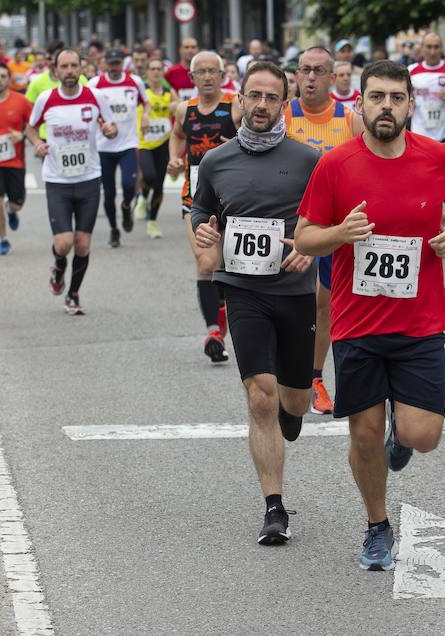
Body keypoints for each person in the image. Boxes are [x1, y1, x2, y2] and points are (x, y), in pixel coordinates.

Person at [295, 59, 445, 571]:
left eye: (397, 98)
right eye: (377, 98)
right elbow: (306, 235)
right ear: (361, 104)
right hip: (357, 324)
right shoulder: (336, 165)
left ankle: (403, 431)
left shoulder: (436, 157)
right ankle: (377, 525)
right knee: (363, 433)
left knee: (423, 436)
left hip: (420, 322)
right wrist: (339, 235)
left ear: (411, 105)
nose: (387, 107)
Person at [192, 61, 319, 545]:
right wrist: (204, 228)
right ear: (239, 100)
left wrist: (308, 247)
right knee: (259, 395)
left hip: (293, 293)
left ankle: (295, 407)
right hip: (242, 289)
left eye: (271, 98)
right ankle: (274, 507)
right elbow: (202, 206)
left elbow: (326, 216)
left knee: (295, 401)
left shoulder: (308, 159)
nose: (262, 105)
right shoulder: (217, 161)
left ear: (283, 103)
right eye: (254, 96)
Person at [283, 46, 365, 416]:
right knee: (288, 307)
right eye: (305, 70)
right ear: (297, 75)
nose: (311, 77)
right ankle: (287, 376)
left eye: (319, 71)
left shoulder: (349, 120)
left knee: (325, 306)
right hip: (288, 225)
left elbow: (366, 175)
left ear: (333, 78)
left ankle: (315, 378)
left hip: (332, 229)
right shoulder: (283, 116)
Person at [25, 49, 117, 315]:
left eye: (73, 66)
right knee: (64, 244)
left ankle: (73, 294)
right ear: (55, 71)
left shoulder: (95, 96)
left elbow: (110, 128)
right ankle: (58, 267)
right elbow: (30, 128)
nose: (69, 71)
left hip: (89, 178)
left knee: (83, 244)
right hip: (57, 180)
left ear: (81, 68)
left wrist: (110, 131)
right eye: (63, 66)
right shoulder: (46, 99)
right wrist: (38, 143)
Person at [167, 51, 243, 363]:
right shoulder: (185, 109)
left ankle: (223, 309)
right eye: (203, 72)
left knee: (229, 264)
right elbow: (177, 136)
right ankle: (213, 331)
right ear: (192, 77)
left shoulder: (234, 105)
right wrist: (174, 158)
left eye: (214, 71)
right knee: (206, 262)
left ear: (223, 74)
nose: (209, 77)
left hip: (232, 199)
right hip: (195, 198)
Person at [89, 48, 150, 248]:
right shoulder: (95, 84)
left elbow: (146, 102)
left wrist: (146, 116)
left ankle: (126, 207)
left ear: (123, 63)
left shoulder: (135, 82)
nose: (115, 67)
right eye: (111, 63)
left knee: (129, 185)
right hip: (103, 147)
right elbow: (89, 109)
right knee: (108, 193)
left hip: (128, 143)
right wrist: (101, 125)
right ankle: (114, 229)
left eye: (118, 63)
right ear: (105, 63)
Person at [134, 57, 177, 238]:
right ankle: (143, 196)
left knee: (159, 185)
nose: (156, 72)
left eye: (159, 68)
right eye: (152, 68)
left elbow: (178, 106)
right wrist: (143, 115)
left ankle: (152, 222)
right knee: (149, 175)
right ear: (147, 72)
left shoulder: (168, 91)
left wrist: (174, 106)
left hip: (163, 142)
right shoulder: (141, 91)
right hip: (145, 142)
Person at [0, 61, 32, 255]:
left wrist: (22, 135)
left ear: (9, 79)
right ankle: (3, 239)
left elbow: (32, 125)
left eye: (2, 76)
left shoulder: (21, 101)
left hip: (15, 161)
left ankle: (11, 209)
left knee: (17, 203)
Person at [165, 37, 199, 102]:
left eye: (193, 47)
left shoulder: (204, 72)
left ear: (197, 49)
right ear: (180, 50)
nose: (190, 50)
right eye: (186, 47)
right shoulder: (171, 72)